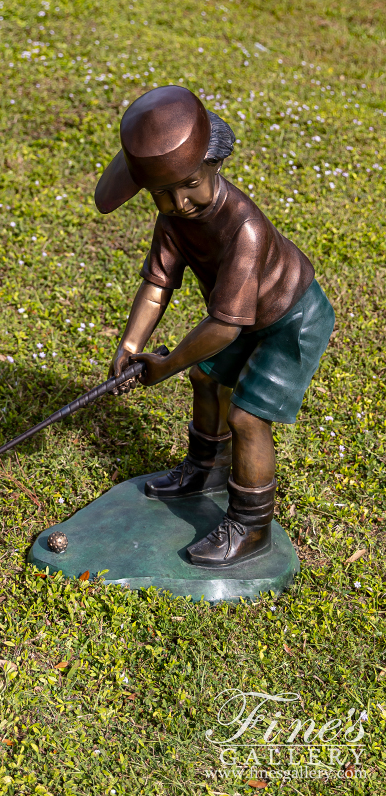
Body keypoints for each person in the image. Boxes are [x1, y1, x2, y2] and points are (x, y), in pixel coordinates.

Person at [95, 85, 334, 568]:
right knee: (206, 377)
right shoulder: (174, 221)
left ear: (213, 164)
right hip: (244, 318)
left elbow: (224, 327)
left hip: (292, 320)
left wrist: (162, 367)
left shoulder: (244, 228)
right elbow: (157, 285)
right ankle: (207, 469)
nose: (180, 203)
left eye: (189, 185)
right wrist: (131, 344)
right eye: (163, 194)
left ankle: (250, 526)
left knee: (247, 416)